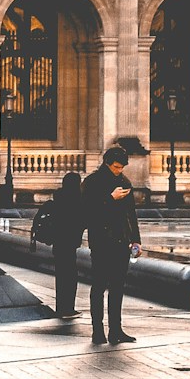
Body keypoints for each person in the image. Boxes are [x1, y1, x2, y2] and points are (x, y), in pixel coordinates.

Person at [81, 147, 140, 345]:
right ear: (107, 162)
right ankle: (97, 330)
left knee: (117, 287)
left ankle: (116, 329)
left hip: (121, 242)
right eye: (116, 167)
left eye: (122, 167)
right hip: (101, 242)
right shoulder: (92, 182)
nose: (119, 170)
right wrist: (109, 198)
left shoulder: (124, 181)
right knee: (98, 286)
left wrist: (136, 240)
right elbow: (86, 212)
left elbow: (131, 214)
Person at [41, 171, 86, 320]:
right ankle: (68, 309)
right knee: (71, 276)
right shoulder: (76, 200)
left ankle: (61, 308)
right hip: (69, 243)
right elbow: (82, 221)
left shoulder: (59, 197)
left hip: (58, 243)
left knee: (61, 276)